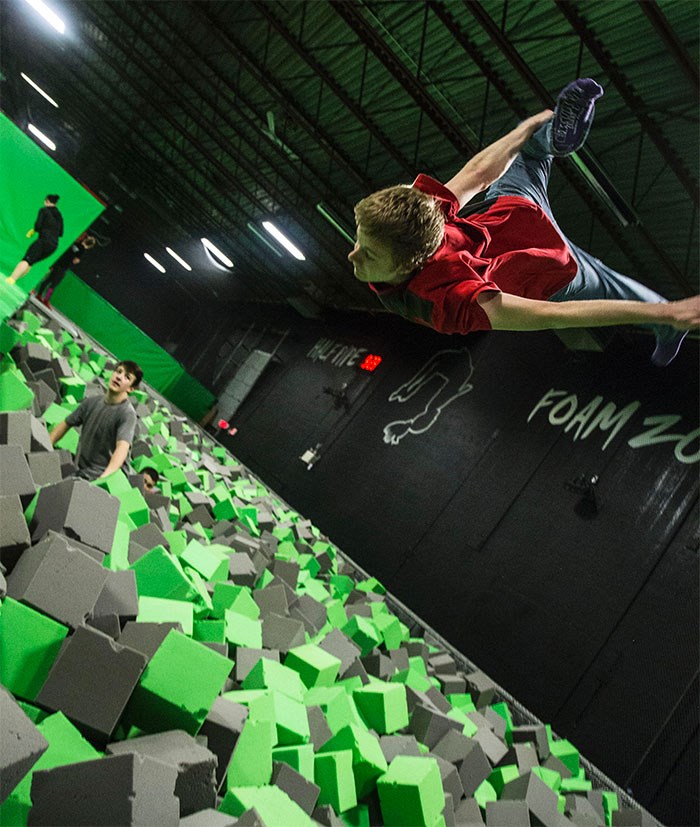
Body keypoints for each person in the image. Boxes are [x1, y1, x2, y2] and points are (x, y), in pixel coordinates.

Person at [350, 79, 699, 367]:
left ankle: (666, 322)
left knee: (606, 281)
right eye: (364, 250)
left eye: (364, 249)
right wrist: (528, 129)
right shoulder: (436, 263)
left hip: (544, 259)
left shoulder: (436, 273)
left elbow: (556, 315)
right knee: (529, 150)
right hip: (521, 223)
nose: (353, 256)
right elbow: (478, 175)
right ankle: (546, 139)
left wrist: (531, 126)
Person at [49, 361, 142, 480]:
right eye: (118, 372)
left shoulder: (127, 413)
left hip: (107, 474)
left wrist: (104, 479)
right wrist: (47, 446)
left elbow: (122, 448)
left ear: (131, 388)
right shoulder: (91, 402)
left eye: (127, 377)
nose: (119, 377)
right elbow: (66, 424)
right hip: (83, 471)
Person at [6, 194, 64, 285]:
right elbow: (60, 233)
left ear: (47, 201)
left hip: (43, 240)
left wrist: (35, 230)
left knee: (27, 259)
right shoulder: (59, 215)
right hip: (53, 246)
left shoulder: (44, 210)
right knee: (31, 262)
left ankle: (11, 279)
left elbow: (37, 226)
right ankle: (14, 280)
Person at [34, 232, 97, 307]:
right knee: (54, 284)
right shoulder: (82, 250)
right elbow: (75, 261)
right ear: (90, 245)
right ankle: (46, 299)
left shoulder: (75, 243)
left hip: (58, 263)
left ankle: (39, 294)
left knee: (49, 279)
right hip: (64, 267)